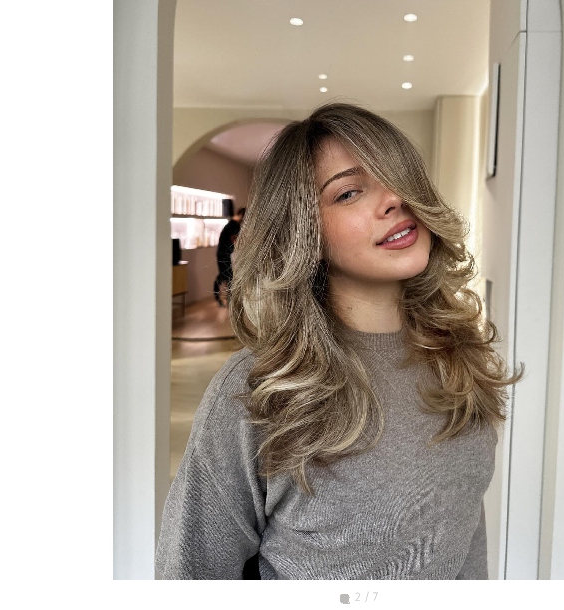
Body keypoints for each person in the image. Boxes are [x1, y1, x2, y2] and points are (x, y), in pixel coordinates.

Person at [156, 103, 521, 580]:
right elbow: (188, 577)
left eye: (397, 176)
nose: (393, 199)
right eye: (348, 192)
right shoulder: (259, 390)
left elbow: (461, 533)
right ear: (304, 231)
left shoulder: (459, 353)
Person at [213, 206, 244, 305]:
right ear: (241, 215)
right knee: (227, 276)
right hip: (223, 254)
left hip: (223, 253)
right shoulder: (234, 226)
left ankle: (226, 299)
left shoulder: (231, 224)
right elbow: (234, 241)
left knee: (226, 276)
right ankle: (228, 300)